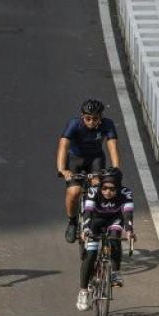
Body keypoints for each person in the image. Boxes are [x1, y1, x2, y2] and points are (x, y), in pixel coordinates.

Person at [57, 99, 120, 243]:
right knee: (74, 192)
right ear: (82, 116)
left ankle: (98, 217)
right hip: (75, 159)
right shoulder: (74, 124)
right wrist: (62, 169)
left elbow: (112, 146)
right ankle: (72, 222)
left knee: (98, 188)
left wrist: (116, 168)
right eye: (88, 118)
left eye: (95, 119)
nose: (91, 122)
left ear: (101, 117)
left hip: (95, 159)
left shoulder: (107, 124)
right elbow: (63, 146)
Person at [76, 167, 135, 311]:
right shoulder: (93, 192)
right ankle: (83, 292)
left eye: (112, 189)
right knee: (90, 255)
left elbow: (128, 214)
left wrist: (129, 231)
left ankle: (115, 273)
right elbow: (88, 212)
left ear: (118, 187)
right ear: (100, 186)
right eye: (105, 188)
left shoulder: (126, 193)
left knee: (115, 239)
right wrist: (85, 229)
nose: (108, 192)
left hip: (115, 220)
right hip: (95, 221)